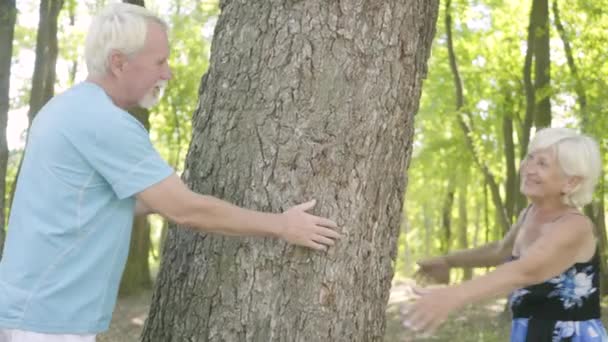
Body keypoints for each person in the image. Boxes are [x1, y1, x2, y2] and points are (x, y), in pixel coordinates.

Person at [0, 3, 340, 342]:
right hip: (46, 323)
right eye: (159, 62)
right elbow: (185, 211)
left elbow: (88, 206)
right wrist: (282, 225)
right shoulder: (106, 123)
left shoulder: (64, 109)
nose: (168, 73)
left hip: (29, 311)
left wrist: (165, 189)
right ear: (119, 62)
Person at [405, 127, 608, 341]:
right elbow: (502, 250)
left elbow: (527, 270)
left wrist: (455, 295)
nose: (529, 168)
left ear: (571, 182)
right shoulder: (529, 214)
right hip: (528, 332)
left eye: (542, 164)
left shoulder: (575, 226)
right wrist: (448, 261)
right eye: (530, 158)